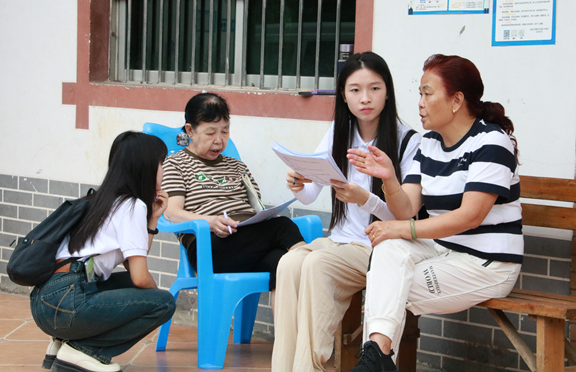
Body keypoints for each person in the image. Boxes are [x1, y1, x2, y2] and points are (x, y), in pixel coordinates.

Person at [346, 54, 523, 372]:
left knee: (386, 286)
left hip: (487, 263)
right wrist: (389, 179)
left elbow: (470, 216)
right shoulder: (429, 143)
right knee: (388, 254)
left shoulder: (492, 142)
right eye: (420, 93)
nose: (420, 103)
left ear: (456, 100)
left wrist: (400, 229)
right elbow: (407, 209)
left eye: (428, 93)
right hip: (444, 250)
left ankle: (377, 360)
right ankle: (379, 359)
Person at [271, 52, 422, 372]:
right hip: (339, 240)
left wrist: (364, 198)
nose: (365, 98)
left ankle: (308, 367)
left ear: (388, 91)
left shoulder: (408, 141)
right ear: (343, 95)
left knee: (315, 263)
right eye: (355, 90)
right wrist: (299, 183)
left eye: (374, 88)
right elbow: (313, 192)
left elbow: (404, 218)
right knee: (288, 264)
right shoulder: (340, 132)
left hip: (376, 247)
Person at [30, 131, 177, 372]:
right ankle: (86, 351)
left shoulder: (102, 199)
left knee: (133, 285)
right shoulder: (131, 205)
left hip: (47, 301)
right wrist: (155, 298)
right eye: (162, 164)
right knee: (163, 303)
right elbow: (141, 277)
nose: (163, 171)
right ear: (147, 167)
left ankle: (63, 344)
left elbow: (133, 267)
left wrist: (153, 220)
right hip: (67, 303)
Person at [161, 92, 305, 294]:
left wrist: (267, 217)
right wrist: (210, 222)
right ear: (190, 131)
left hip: (248, 243)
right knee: (283, 227)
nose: (219, 141)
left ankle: (290, 326)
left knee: (284, 264)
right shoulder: (176, 164)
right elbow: (172, 213)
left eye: (225, 132)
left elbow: (257, 207)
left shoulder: (237, 167)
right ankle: (314, 266)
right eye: (211, 133)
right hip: (210, 248)